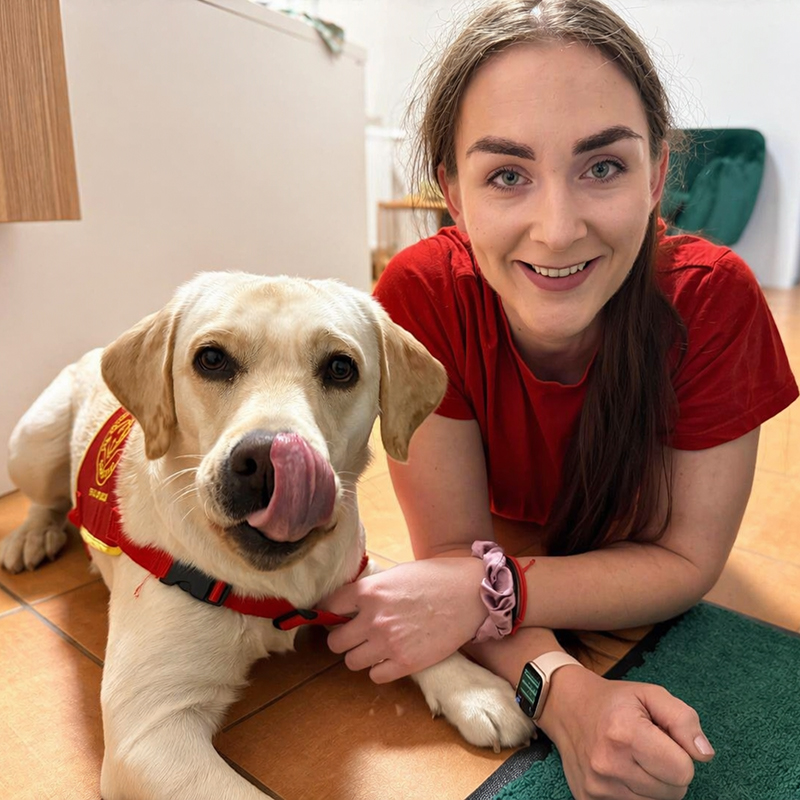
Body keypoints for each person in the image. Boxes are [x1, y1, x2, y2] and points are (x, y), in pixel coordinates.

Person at [321, 1, 799, 798]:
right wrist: (565, 693)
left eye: (602, 167)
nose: (556, 228)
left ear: (656, 174)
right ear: (453, 191)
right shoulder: (420, 298)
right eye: (508, 175)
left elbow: (684, 562)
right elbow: (451, 557)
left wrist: (488, 586)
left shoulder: (713, 299)